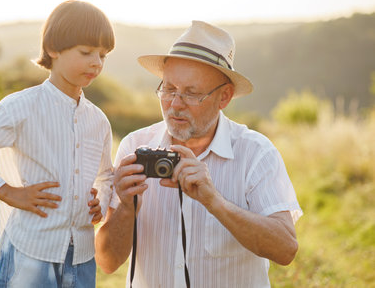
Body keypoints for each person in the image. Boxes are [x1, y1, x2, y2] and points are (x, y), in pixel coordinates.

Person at [95, 20, 303, 287]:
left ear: (224, 97)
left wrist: (214, 202)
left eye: (192, 94)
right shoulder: (135, 146)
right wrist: (125, 208)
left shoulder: (256, 153)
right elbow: (107, 262)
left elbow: (286, 249)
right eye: (168, 89)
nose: (175, 104)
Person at [0, 0, 115, 288]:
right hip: (30, 252)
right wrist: (9, 193)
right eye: (86, 52)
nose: (96, 62)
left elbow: (106, 174)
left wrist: (103, 200)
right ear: (53, 49)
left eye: (103, 55)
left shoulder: (98, 120)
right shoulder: (22, 106)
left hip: (82, 257)